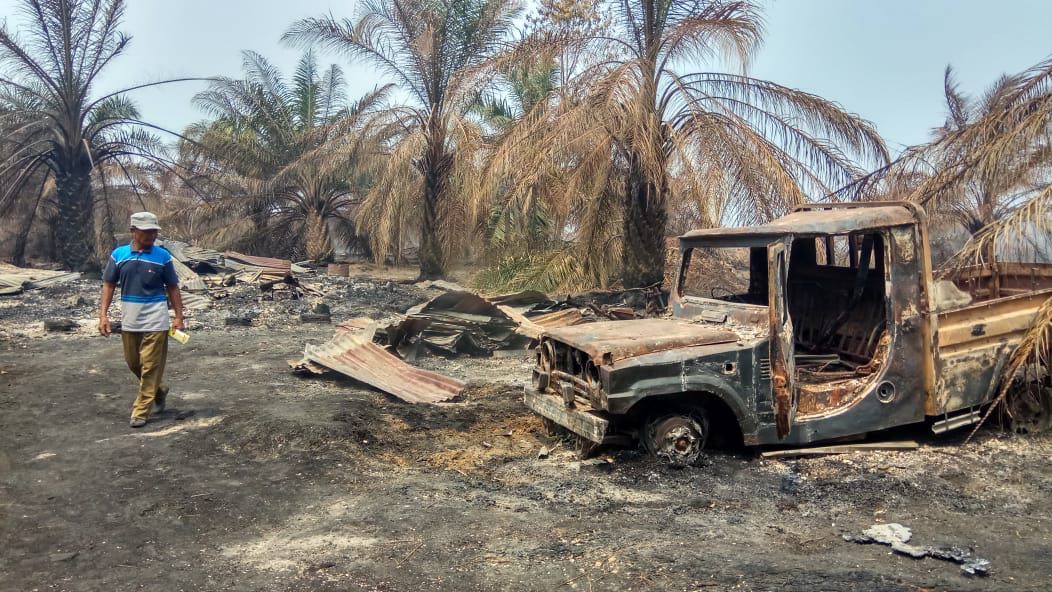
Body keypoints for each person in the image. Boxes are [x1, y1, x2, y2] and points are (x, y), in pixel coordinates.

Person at [98, 212, 184, 428]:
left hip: (156, 318)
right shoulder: (119, 255)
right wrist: (103, 315)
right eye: (147, 231)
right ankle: (159, 390)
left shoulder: (163, 257)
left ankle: (141, 410)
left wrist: (178, 316)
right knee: (133, 362)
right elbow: (108, 285)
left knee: (150, 365)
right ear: (133, 231)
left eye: (154, 231)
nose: (152, 235)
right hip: (130, 319)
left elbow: (172, 287)